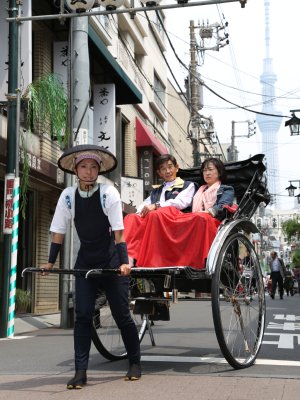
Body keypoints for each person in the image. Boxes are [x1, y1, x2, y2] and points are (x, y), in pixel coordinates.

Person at [41, 144, 141, 389]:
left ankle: (135, 362)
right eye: (83, 167)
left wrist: (125, 262)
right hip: (85, 262)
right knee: (83, 315)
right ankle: (80, 372)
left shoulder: (109, 193)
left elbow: (118, 231)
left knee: (121, 314)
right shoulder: (67, 195)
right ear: (76, 169)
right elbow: (58, 231)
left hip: (111, 261)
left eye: (93, 167)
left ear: (98, 170)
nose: (88, 171)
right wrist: (50, 261)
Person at [125, 157, 234, 270]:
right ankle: (128, 257)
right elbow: (144, 205)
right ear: (159, 173)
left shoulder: (225, 189)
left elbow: (222, 206)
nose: (207, 173)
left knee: (196, 217)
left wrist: (208, 212)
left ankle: (191, 262)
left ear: (219, 172)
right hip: (193, 217)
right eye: (205, 170)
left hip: (211, 219)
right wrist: (141, 213)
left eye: (210, 169)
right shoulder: (200, 189)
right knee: (131, 217)